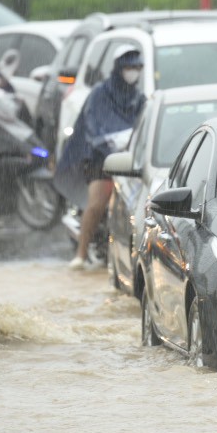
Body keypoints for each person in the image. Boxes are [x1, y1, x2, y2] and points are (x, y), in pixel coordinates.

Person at [57, 47, 145, 269]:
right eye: (128, 67)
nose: (132, 72)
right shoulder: (99, 94)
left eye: (136, 68)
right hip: (100, 158)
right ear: (118, 69)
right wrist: (108, 146)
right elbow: (94, 127)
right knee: (96, 203)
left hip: (132, 159)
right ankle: (81, 253)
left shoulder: (139, 98)